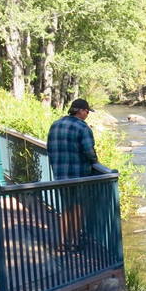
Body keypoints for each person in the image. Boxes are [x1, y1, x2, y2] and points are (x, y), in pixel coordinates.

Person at [47, 98, 99, 250]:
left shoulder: (55, 125)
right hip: (79, 175)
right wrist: (95, 162)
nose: (87, 115)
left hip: (60, 175)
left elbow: (49, 148)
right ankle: (75, 242)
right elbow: (89, 151)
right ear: (81, 111)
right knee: (78, 208)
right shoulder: (83, 128)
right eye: (87, 112)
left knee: (66, 208)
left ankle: (62, 242)